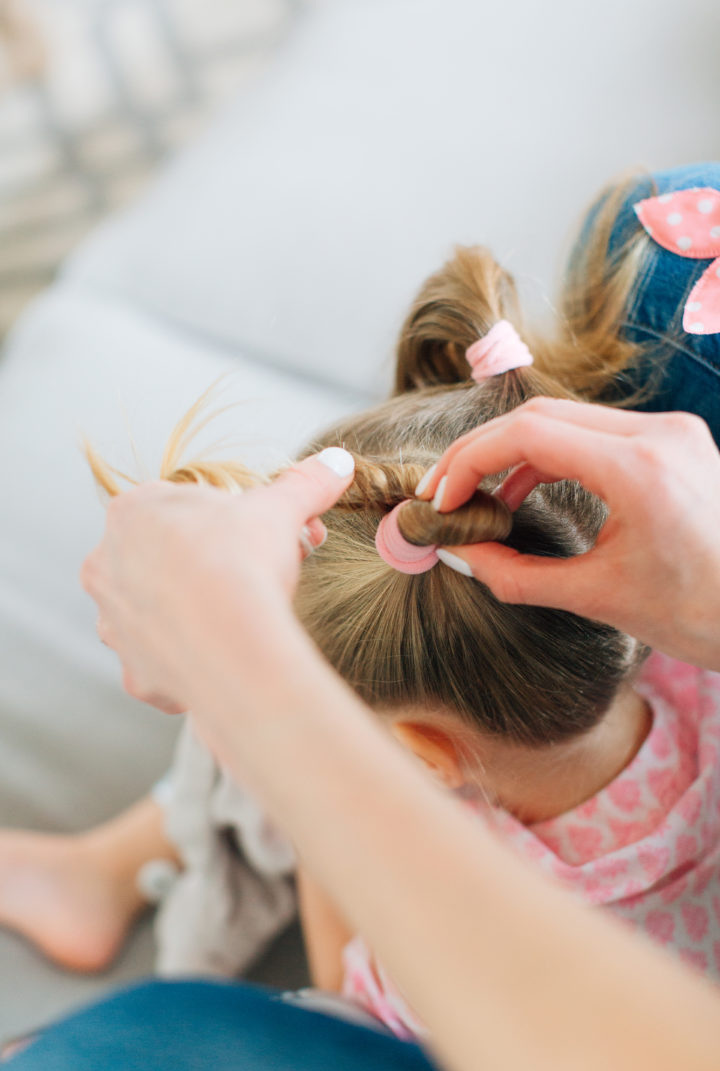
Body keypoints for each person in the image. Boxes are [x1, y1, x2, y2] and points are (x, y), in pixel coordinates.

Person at [4, 235, 720, 1026]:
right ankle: (105, 871)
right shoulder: (694, 658)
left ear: (421, 757)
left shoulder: (457, 938)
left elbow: (347, 1010)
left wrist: (324, 842)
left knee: (256, 727)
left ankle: (111, 864)